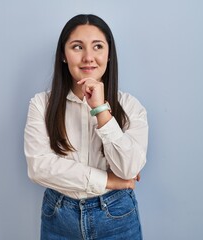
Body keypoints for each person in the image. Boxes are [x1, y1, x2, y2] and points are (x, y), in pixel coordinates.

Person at [24, 14, 148, 239]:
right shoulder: (41, 104)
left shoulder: (130, 107)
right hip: (59, 217)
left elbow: (128, 169)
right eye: (77, 47)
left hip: (117, 216)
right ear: (64, 55)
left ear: (109, 54)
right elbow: (39, 167)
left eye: (98, 46)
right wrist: (108, 180)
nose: (88, 57)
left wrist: (101, 109)